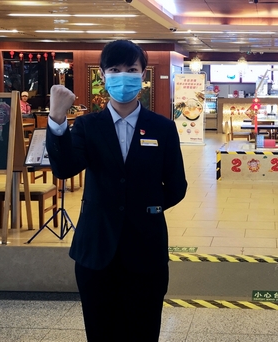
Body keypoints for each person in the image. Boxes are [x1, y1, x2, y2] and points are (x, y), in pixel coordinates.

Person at [46, 39, 187, 342]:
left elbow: (177, 186)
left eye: (131, 69)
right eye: (114, 69)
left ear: (143, 74)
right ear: (103, 75)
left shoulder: (162, 128)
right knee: (100, 332)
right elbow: (64, 169)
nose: (123, 76)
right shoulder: (88, 127)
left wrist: (147, 207)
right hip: (96, 248)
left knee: (143, 331)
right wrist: (57, 119)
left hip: (146, 248)